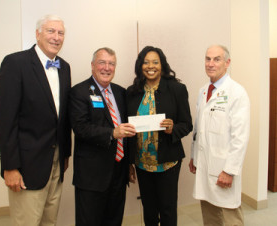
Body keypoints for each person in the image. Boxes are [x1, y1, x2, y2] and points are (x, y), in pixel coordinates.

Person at [0, 15, 71, 226]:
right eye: (50, 31)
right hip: (26, 165)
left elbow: (62, 117)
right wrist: (9, 167)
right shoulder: (15, 63)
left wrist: (65, 153)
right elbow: (5, 120)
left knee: (49, 221)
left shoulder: (65, 67)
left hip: (56, 163)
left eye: (61, 33)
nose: (56, 37)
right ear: (37, 33)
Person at [69, 47, 136, 226]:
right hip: (92, 176)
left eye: (111, 63)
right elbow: (81, 128)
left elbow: (128, 130)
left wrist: (129, 162)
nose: (107, 68)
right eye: (102, 62)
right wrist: (112, 133)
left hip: (118, 172)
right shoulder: (79, 92)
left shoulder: (121, 92)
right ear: (92, 65)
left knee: (114, 220)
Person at [127, 46, 193, 226]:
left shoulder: (177, 89)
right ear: (140, 66)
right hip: (142, 163)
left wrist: (173, 129)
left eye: (155, 62)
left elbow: (187, 125)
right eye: (146, 62)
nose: (151, 66)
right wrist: (130, 162)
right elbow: (128, 131)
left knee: (167, 209)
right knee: (148, 210)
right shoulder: (132, 92)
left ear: (162, 65)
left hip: (168, 162)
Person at [189, 45, 250, 226]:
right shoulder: (203, 91)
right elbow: (198, 129)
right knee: (210, 216)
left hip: (224, 168)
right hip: (205, 164)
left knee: (231, 218)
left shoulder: (237, 93)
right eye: (208, 59)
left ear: (227, 63)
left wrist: (230, 170)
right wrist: (194, 157)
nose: (211, 64)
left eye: (216, 59)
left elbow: (240, 136)